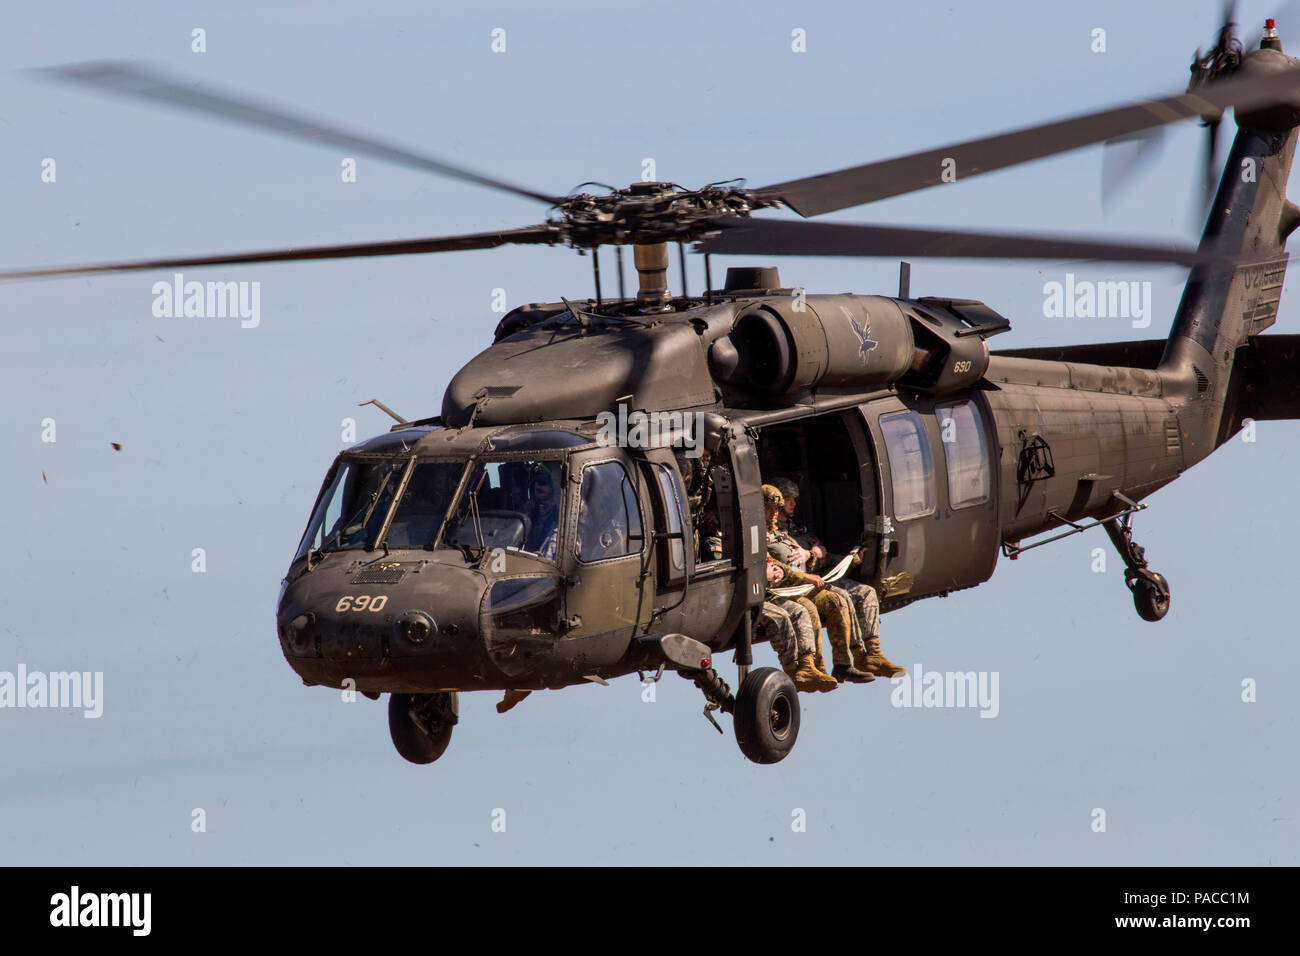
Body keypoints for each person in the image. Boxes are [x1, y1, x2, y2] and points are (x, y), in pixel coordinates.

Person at [770, 477, 906, 679]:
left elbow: (818, 547)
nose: (794, 503)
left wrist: (849, 560)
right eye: (789, 499)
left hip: (819, 574)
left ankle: (872, 653)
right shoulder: (773, 534)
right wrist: (813, 554)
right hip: (803, 582)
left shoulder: (793, 528)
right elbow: (791, 560)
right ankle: (847, 659)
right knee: (839, 599)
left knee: (866, 592)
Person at [763, 484, 873, 684]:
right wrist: (806, 577)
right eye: (769, 508)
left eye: (776, 509)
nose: (774, 513)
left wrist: (849, 559)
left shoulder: (781, 533)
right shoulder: (756, 535)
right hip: (786, 590)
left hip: (802, 584)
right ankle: (813, 668)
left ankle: (844, 664)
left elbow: (812, 555)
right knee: (808, 611)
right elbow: (776, 564)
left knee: (836, 601)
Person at [758, 556, 837, 692]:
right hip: (743, 600)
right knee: (780, 617)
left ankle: (807, 667)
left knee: (799, 611)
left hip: (765, 593)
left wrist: (779, 572)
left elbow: (769, 560)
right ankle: (792, 671)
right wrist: (760, 574)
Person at [524, 465, 560, 561]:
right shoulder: (529, 510)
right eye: (536, 482)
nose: (538, 486)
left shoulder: (561, 517)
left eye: (543, 482)